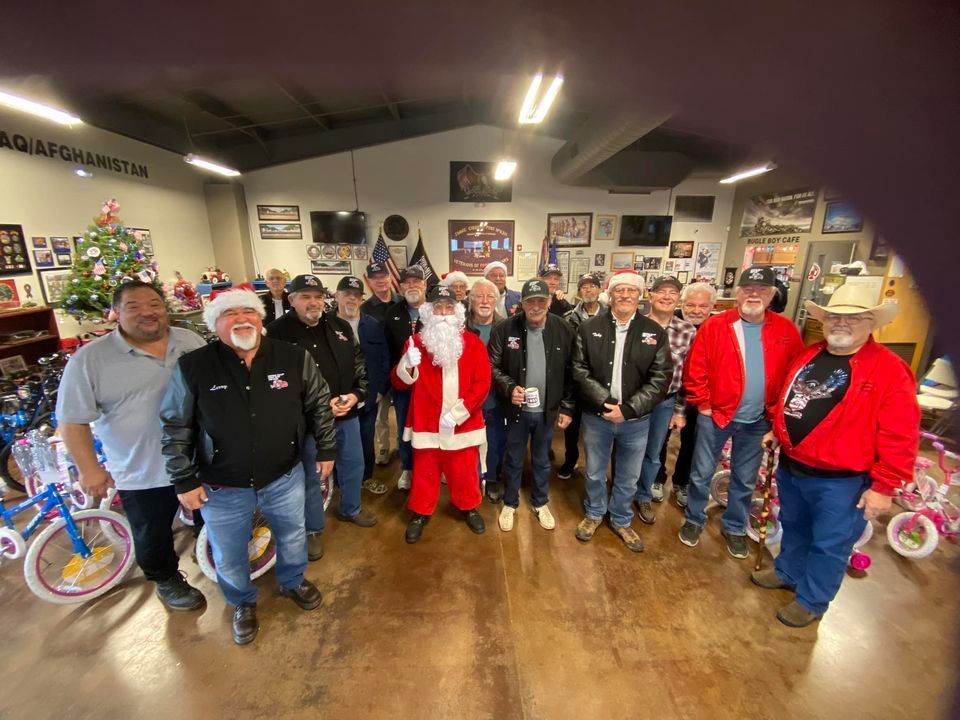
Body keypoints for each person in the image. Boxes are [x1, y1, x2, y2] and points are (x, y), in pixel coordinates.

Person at [160, 287, 335, 645]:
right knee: (229, 551)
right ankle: (242, 601)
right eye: (230, 314)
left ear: (261, 319)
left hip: (283, 474)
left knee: (291, 533)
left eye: (248, 312)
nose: (242, 319)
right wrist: (183, 479)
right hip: (222, 484)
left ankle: (292, 581)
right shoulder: (194, 366)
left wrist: (326, 450)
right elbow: (176, 426)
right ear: (214, 324)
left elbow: (319, 404)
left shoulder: (291, 356)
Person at [753, 284, 919, 627]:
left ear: (871, 322)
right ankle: (787, 571)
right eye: (834, 316)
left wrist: (885, 486)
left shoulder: (889, 369)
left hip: (844, 480)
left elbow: (900, 432)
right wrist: (778, 430)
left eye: (853, 318)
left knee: (830, 543)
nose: (841, 323)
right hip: (794, 466)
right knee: (794, 526)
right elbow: (792, 398)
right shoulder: (809, 355)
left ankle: (813, 600)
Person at [57, 280, 207, 612]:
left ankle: (209, 553)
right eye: (133, 307)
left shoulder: (190, 341)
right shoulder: (90, 360)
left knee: (209, 517)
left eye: (154, 304)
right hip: (143, 467)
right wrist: (89, 469)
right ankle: (166, 578)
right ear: (115, 313)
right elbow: (71, 421)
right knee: (152, 531)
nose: (147, 313)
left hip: (200, 458)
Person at [679, 266, 804, 557]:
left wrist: (778, 417)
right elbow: (695, 367)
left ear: (773, 294)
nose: (754, 294)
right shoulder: (715, 325)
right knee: (701, 472)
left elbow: (795, 375)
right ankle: (694, 519)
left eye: (761, 289)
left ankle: (734, 526)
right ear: (738, 293)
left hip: (759, 419)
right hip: (717, 415)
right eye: (748, 289)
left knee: (745, 478)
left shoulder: (786, 331)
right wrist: (704, 403)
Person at [267, 274, 376, 565]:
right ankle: (312, 528)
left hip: (346, 413)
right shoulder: (277, 333)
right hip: (307, 422)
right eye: (305, 296)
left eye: (317, 296)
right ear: (291, 300)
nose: (313, 302)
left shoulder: (339, 326)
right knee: (314, 475)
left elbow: (359, 365)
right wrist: (317, 405)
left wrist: (356, 394)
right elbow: (275, 383)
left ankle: (350, 508)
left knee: (354, 464)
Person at [571, 271, 672, 553]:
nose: (625, 295)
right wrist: (605, 402)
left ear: (640, 296)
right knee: (593, 471)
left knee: (628, 475)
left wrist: (628, 409)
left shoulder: (654, 332)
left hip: (636, 420)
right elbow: (579, 370)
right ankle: (593, 514)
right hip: (598, 417)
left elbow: (661, 377)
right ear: (610, 293)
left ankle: (621, 519)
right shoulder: (589, 328)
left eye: (631, 290)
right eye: (620, 290)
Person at [392, 285, 491, 543]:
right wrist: (406, 364)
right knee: (425, 472)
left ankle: (469, 506)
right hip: (427, 424)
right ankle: (420, 512)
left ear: (457, 311)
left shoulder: (474, 343)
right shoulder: (415, 343)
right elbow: (400, 383)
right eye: (438, 307)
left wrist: (458, 413)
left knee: (465, 471)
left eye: (449, 307)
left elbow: (482, 384)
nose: (444, 313)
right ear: (428, 312)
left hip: (463, 425)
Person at [489, 279, 575, 531]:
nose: (536, 306)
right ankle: (510, 503)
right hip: (516, 410)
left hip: (547, 411)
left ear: (549, 302)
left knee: (542, 459)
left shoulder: (564, 329)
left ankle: (540, 502)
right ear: (522, 303)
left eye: (541, 300)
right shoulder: (505, 329)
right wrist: (508, 388)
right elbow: (492, 366)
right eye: (530, 301)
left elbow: (573, 371)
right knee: (513, 457)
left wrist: (568, 407)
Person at [633, 276, 696, 525]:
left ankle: (643, 494)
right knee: (626, 449)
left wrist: (680, 410)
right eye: (662, 291)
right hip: (634, 400)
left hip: (665, 401)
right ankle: (620, 490)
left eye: (673, 292)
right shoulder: (635, 325)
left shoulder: (687, 330)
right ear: (651, 295)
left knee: (654, 452)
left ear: (678, 298)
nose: (667, 297)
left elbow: (688, 375)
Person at [653, 282, 717, 507]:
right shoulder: (673, 326)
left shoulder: (717, 328)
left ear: (712, 306)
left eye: (703, 306)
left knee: (693, 441)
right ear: (683, 303)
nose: (696, 310)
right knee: (661, 439)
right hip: (671, 395)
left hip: (702, 397)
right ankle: (657, 478)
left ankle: (682, 482)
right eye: (691, 305)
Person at [336, 275, 391, 495]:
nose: (352, 299)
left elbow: (384, 359)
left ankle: (366, 477)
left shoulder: (373, 325)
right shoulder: (326, 325)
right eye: (347, 294)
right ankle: (340, 483)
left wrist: (379, 390)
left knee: (365, 439)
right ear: (337, 296)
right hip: (338, 398)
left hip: (368, 395)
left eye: (357, 296)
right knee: (339, 441)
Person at [383, 266, 429, 490]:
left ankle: (431, 468)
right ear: (400, 287)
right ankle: (408, 468)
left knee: (430, 427)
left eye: (416, 281)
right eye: (407, 283)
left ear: (425, 285)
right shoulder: (391, 313)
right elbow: (387, 351)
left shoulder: (435, 311)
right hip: (402, 384)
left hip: (430, 385)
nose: (412, 286)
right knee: (404, 427)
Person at [558, 273, 605, 479]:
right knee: (571, 427)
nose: (588, 290)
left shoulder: (610, 316)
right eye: (584, 287)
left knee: (599, 431)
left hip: (601, 383)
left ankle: (598, 468)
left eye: (593, 286)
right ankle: (570, 460)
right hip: (574, 381)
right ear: (579, 291)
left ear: (600, 289)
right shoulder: (568, 318)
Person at [465, 277, 507, 502]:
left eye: (489, 296)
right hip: (465, 398)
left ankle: (491, 478)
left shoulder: (506, 327)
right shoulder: (460, 326)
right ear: (470, 301)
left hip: (496, 397)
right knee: (467, 442)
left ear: (496, 300)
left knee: (494, 440)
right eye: (479, 296)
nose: (484, 300)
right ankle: (469, 478)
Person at [360, 261, 400, 466]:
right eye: (375, 278)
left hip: (403, 367)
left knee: (403, 412)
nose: (381, 281)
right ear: (369, 281)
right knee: (380, 415)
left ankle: (404, 447)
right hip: (378, 370)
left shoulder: (402, 302)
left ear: (390, 278)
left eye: (384, 276)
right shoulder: (364, 309)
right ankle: (383, 447)